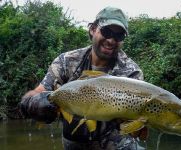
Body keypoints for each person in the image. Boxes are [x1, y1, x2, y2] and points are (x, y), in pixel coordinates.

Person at [20, 7, 148, 150]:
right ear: (93, 29)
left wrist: (137, 126)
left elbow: (136, 127)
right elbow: (38, 92)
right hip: (75, 144)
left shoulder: (132, 72)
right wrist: (32, 103)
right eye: (107, 32)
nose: (111, 40)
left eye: (119, 36)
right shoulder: (66, 61)